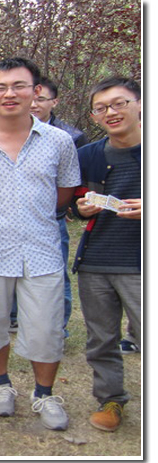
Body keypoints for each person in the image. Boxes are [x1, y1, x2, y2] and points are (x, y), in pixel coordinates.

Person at [0, 58, 80, 431]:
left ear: (35, 91)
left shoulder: (59, 142)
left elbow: (64, 192)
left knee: (46, 327)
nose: (10, 94)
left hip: (42, 249)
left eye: (19, 85)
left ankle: (44, 393)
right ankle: (1, 385)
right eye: (1, 87)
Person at [71, 77, 141, 432]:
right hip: (97, 261)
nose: (110, 112)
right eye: (101, 108)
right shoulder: (89, 155)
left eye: (119, 103)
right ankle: (111, 400)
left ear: (140, 104)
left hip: (141, 263)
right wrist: (80, 208)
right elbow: (73, 201)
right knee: (102, 339)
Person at [9, 76, 89, 336]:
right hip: (11, 217)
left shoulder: (71, 137)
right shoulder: (6, 133)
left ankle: (57, 327)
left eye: (41, 99)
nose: (34, 104)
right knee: (11, 268)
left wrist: (63, 206)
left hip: (50, 217)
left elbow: (74, 180)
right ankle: (15, 318)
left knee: (54, 273)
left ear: (54, 102)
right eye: (31, 98)